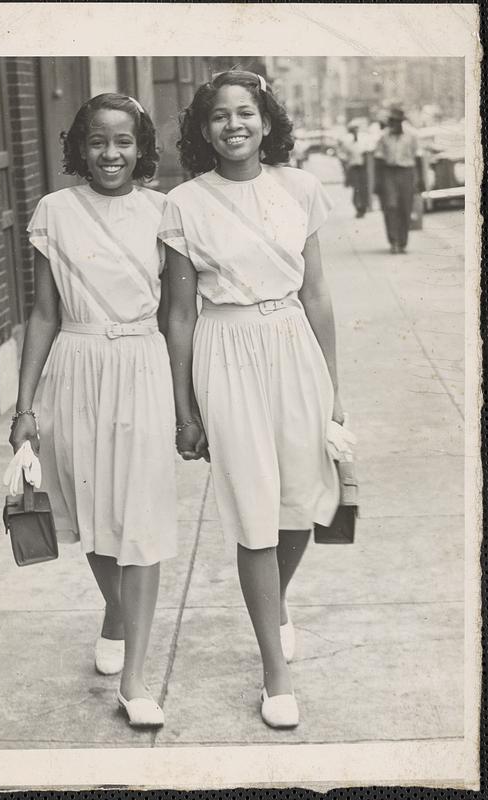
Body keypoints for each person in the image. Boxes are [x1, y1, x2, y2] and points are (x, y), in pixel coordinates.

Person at [159, 70, 343, 728]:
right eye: (218, 116)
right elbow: (179, 314)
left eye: (245, 113)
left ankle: (276, 603)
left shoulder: (302, 188)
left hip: (292, 342)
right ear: (203, 130)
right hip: (226, 348)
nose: (233, 125)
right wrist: (184, 409)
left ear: (266, 121)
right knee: (253, 509)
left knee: (302, 501)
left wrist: (334, 389)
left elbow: (317, 293)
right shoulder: (183, 203)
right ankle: (275, 671)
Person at [9, 93, 176, 728]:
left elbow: (177, 314)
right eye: (99, 142)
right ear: (80, 148)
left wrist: (186, 406)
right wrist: (24, 407)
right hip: (74, 368)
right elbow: (45, 314)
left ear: (142, 148)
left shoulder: (164, 212)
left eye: (125, 142)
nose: (112, 154)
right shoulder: (54, 211)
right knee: (88, 509)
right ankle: (117, 612)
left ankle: (135, 679)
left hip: (141, 363)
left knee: (141, 517)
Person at [373, 105, 425, 253]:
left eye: (396, 121)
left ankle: (402, 242)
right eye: (391, 121)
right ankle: (393, 241)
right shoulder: (384, 137)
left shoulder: (412, 136)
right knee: (390, 206)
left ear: (401, 122)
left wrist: (420, 180)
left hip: (406, 173)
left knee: (405, 207)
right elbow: (378, 159)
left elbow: (419, 158)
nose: (393, 125)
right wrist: (378, 182)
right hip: (389, 173)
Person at [340, 123, 370, 218]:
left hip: (363, 167)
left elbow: (368, 152)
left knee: (364, 188)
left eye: (356, 130)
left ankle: (364, 207)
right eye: (353, 130)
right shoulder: (346, 142)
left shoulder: (364, 140)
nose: (355, 132)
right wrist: (346, 169)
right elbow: (343, 156)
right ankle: (358, 208)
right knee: (356, 189)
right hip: (353, 168)